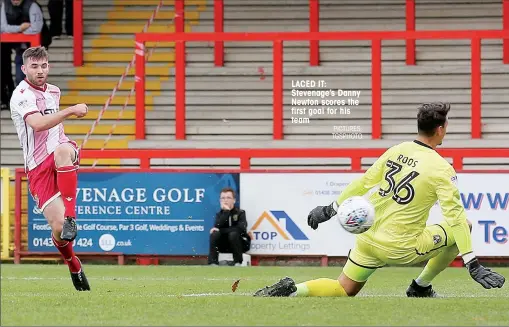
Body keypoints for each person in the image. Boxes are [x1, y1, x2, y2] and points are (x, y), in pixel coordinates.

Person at [254, 102, 505, 297]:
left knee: (344, 289)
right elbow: (456, 217)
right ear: (440, 130)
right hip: (401, 247)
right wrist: (472, 262)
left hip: (368, 238)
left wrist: (330, 209)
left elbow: (364, 183)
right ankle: (420, 286)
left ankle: (293, 289)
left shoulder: (398, 150)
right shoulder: (441, 169)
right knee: (465, 226)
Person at [9, 46, 90, 291]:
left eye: (44, 65)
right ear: (24, 69)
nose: (40, 70)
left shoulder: (54, 91)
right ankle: (73, 264)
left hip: (61, 151)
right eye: (34, 66)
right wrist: (71, 110)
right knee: (58, 229)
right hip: (37, 167)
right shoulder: (21, 94)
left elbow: (55, 130)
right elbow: (38, 124)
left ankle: (71, 218)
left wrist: (70, 112)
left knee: (63, 150)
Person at [1, 0, 51, 85]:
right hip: (20, 47)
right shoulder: (5, 5)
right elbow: (3, 28)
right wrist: (19, 28)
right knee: (20, 78)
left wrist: (14, 31)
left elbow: (36, 29)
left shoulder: (32, 5)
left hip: (36, 47)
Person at [208, 187, 250, 266]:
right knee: (214, 234)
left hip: (240, 244)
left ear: (234, 200)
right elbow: (217, 226)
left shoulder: (240, 213)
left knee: (233, 234)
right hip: (224, 245)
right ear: (220, 200)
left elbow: (241, 229)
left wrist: (222, 230)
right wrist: (226, 212)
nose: (225, 200)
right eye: (223, 198)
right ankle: (213, 263)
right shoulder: (219, 214)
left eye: (228, 197)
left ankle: (238, 262)